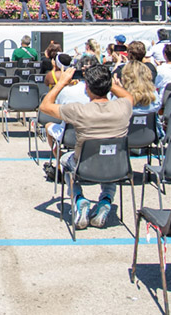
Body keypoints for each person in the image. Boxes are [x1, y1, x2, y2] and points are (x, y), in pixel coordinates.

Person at [40, 63, 133, 229]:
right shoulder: (124, 106)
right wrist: (106, 81)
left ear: (87, 88)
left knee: (64, 159)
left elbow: (45, 106)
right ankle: (106, 199)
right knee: (109, 160)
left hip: (84, 166)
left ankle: (78, 198)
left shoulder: (79, 111)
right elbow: (127, 95)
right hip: (117, 166)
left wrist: (61, 82)